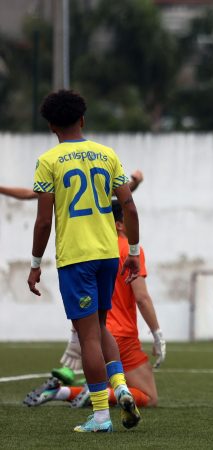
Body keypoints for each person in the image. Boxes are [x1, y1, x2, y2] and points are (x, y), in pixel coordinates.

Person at [27, 89, 142, 433]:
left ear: (51, 126)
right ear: (83, 119)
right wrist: (133, 252)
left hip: (76, 258)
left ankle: (101, 417)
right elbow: (130, 206)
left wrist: (35, 264)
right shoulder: (107, 154)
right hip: (109, 253)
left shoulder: (48, 161)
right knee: (101, 326)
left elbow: (44, 220)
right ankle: (120, 386)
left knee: (87, 335)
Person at [24, 200, 166, 409]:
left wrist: (75, 336)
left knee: (107, 383)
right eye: (129, 220)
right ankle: (95, 395)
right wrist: (157, 334)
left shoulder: (97, 249)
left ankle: (61, 391)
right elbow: (142, 297)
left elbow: (86, 295)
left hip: (94, 332)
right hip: (122, 336)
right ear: (118, 224)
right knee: (148, 396)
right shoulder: (129, 249)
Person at [0, 170, 144, 201]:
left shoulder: (93, 183)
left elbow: (125, 190)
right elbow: (29, 193)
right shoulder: (66, 184)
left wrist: (136, 182)